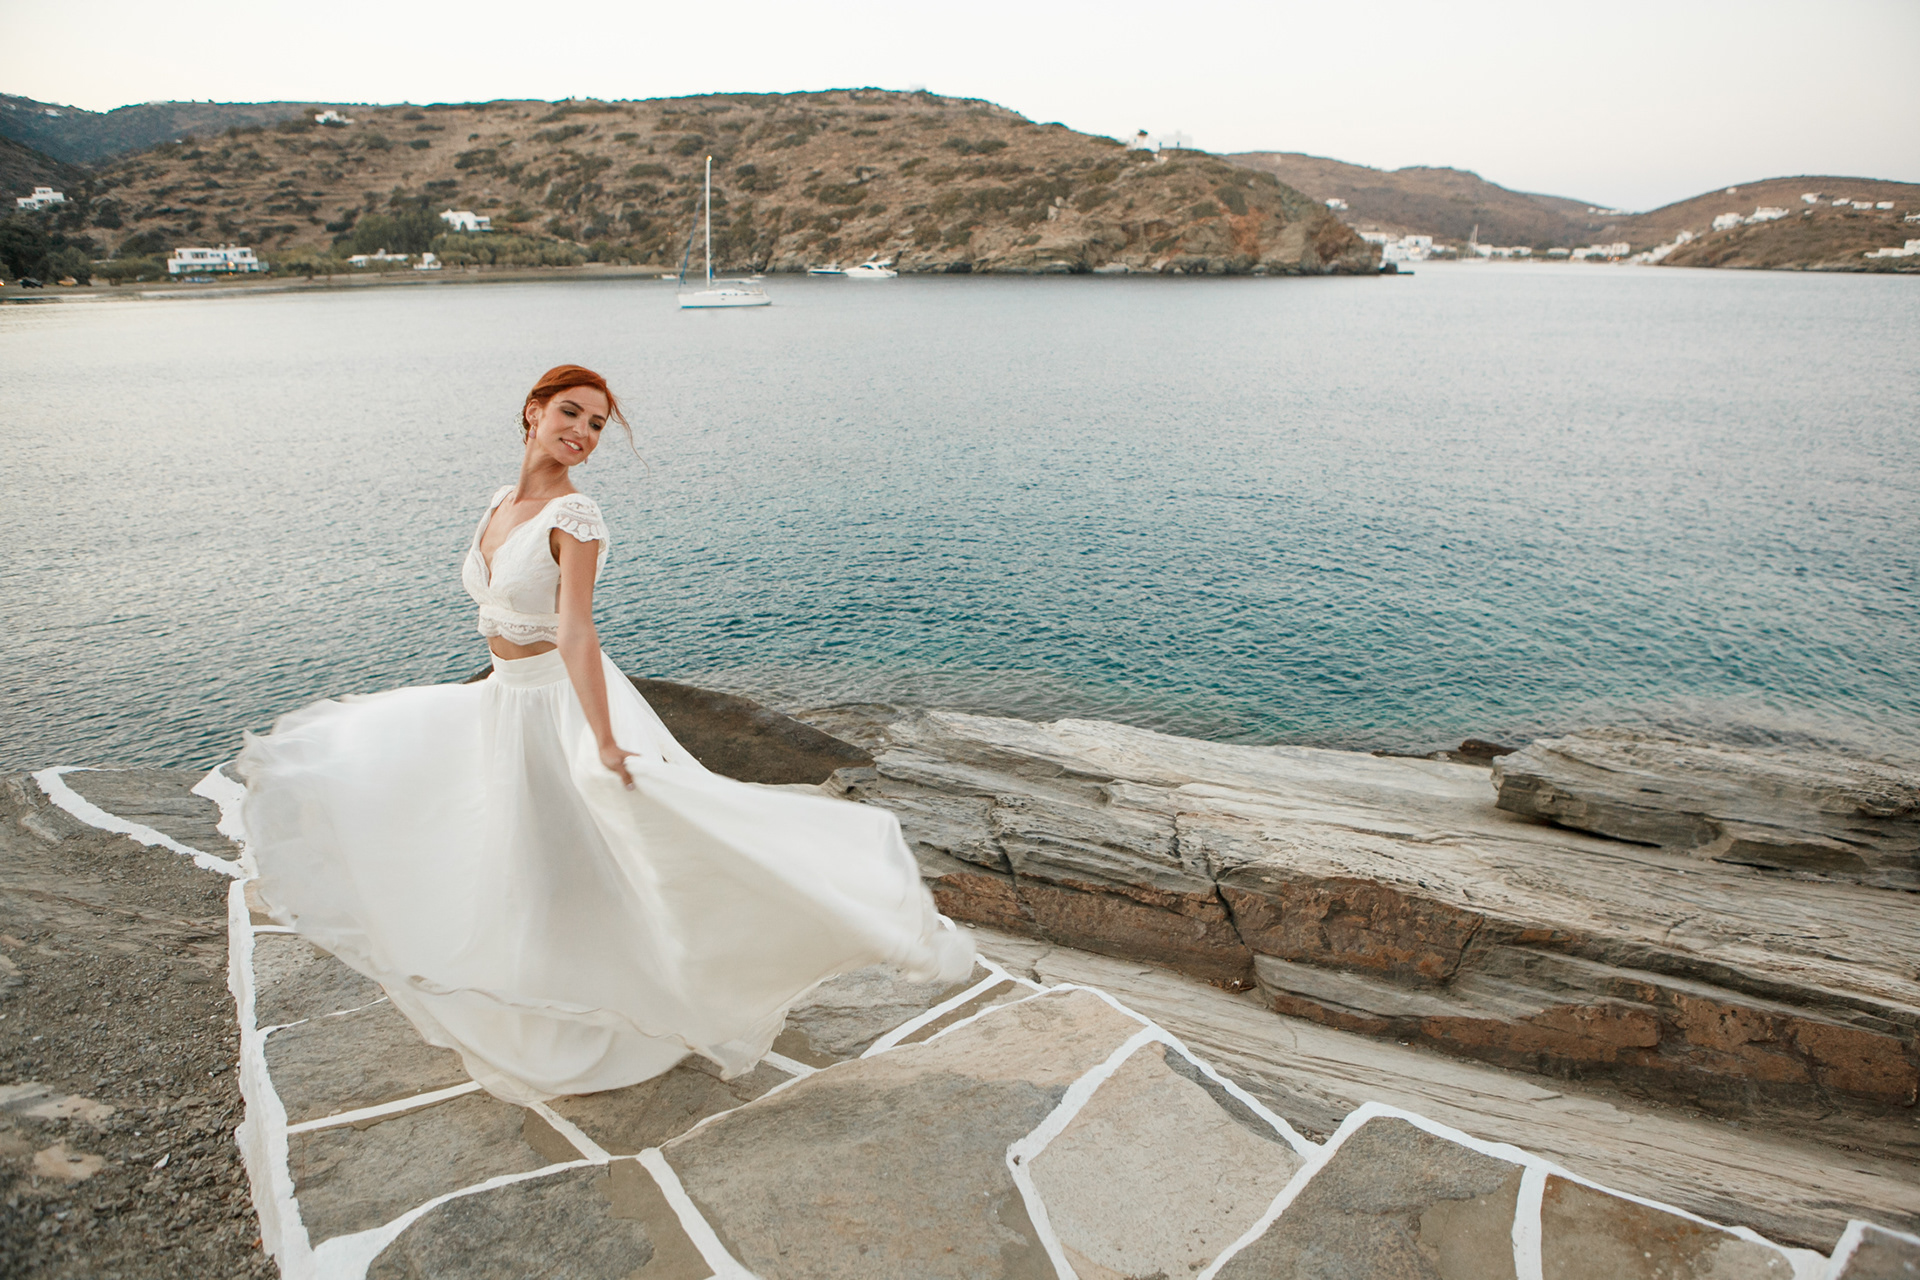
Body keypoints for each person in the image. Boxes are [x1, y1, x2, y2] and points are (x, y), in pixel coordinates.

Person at [237, 364, 972, 1104]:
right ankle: (541, 1001)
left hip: (563, 704)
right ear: (532, 411)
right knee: (498, 845)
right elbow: (499, 613)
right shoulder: (499, 504)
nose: (583, 433)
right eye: (571, 413)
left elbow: (577, 633)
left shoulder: (575, 516)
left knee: (615, 851)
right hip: (504, 702)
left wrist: (605, 738)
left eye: (596, 425)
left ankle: (655, 997)